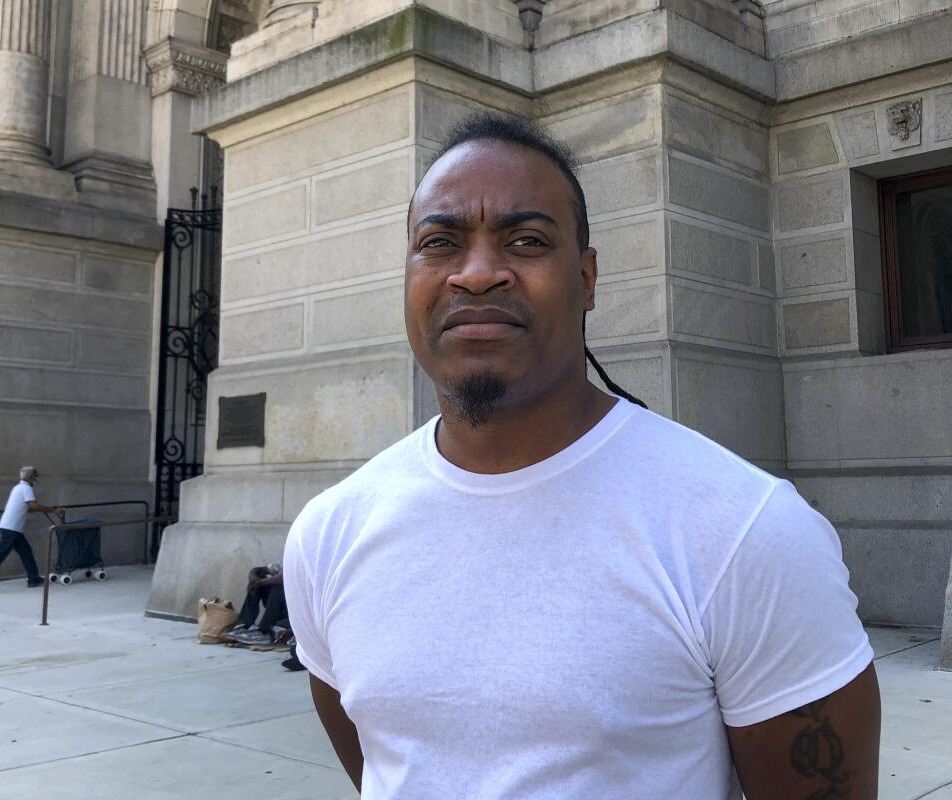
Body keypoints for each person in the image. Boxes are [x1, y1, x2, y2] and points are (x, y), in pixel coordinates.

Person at [284, 112, 881, 799]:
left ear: (588, 279)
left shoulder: (747, 533)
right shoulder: (328, 535)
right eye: (440, 243)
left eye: (527, 240)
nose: (476, 275)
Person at [0, 466, 63, 594]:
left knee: (26, 552)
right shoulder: (26, 488)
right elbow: (33, 505)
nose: (37, 479)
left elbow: (27, 507)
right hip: (12, 529)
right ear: (31, 477)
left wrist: (41, 509)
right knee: (0, 555)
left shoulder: (18, 488)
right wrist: (53, 510)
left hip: (11, 528)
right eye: (36, 476)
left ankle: (33, 578)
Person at [226, 563, 289, 646]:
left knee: (277, 585)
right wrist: (253, 577)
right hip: (275, 606)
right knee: (257, 580)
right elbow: (258, 570)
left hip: (290, 613)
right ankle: (244, 625)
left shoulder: (303, 565)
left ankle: (264, 632)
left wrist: (260, 582)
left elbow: (285, 578)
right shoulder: (285, 563)